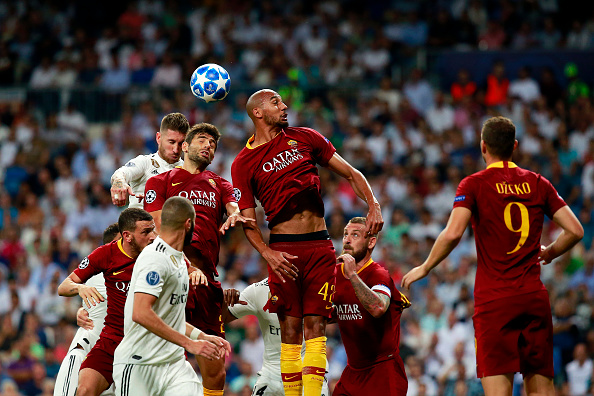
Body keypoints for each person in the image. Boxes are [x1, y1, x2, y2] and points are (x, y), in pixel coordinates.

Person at [402, 116, 584, 396]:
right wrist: (550, 252)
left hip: (494, 302)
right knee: (542, 390)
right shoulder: (538, 183)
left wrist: (425, 267)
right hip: (533, 298)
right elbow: (575, 230)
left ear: (483, 146)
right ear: (515, 146)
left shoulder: (473, 184)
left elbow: (452, 234)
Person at [231, 89, 383, 396]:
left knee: (316, 330)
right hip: (284, 249)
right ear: (258, 112)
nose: (284, 106)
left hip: (319, 245)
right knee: (290, 332)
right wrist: (267, 254)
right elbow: (248, 220)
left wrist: (373, 204)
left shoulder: (305, 138)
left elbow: (351, 174)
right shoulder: (243, 163)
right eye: (276, 102)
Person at [144, 123, 251, 396]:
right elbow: (155, 228)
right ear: (185, 146)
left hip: (205, 280)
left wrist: (235, 213)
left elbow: (232, 203)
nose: (208, 146)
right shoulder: (160, 182)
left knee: (215, 368)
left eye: (213, 144)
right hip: (170, 273)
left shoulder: (219, 183)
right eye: (202, 140)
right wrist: (184, 264)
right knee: (160, 358)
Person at [113, 196, 231, 395]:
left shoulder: (178, 259)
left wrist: (201, 336)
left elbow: (169, 317)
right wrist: (190, 344)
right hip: (140, 364)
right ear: (188, 224)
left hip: (175, 365)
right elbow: (140, 313)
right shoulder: (155, 258)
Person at [57, 208, 157, 396]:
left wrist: (195, 273)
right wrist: (80, 289)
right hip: (112, 338)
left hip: (146, 340)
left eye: (153, 230)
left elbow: (186, 268)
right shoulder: (106, 255)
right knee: (85, 390)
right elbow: (63, 286)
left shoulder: (159, 254)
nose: (152, 237)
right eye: (146, 232)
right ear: (127, 236)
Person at [332, 217, 410, 395]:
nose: (347, 239)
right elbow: (334, 313)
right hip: (353, 372)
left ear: (371, 242)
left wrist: (352, 275)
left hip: (383, 371)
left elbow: (378, 308)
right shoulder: (335, 274)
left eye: (355, 235)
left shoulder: (378, 274)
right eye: (345, 234)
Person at [222, 280, 330, 396]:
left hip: (307, 373)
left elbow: (334, 313)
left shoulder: (314, 286)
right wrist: (224, 302)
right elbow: (223, 317)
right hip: (270, 375)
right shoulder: (257, 290)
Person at [54, 223, 120, 396]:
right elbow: (64, 287)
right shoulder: (100, 272)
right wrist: (79, 289)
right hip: (88, 351)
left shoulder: (133, 271)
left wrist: (81, 309)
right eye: (120, 241)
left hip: (118, 356)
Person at [110, 112, 188, 208]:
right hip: (139, 220)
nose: (176, 149)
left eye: (180, 143)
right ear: (158, 138)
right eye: (171, 142)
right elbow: (121, 173)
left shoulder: (188, 171)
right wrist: (119, 182)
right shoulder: (145, 162)